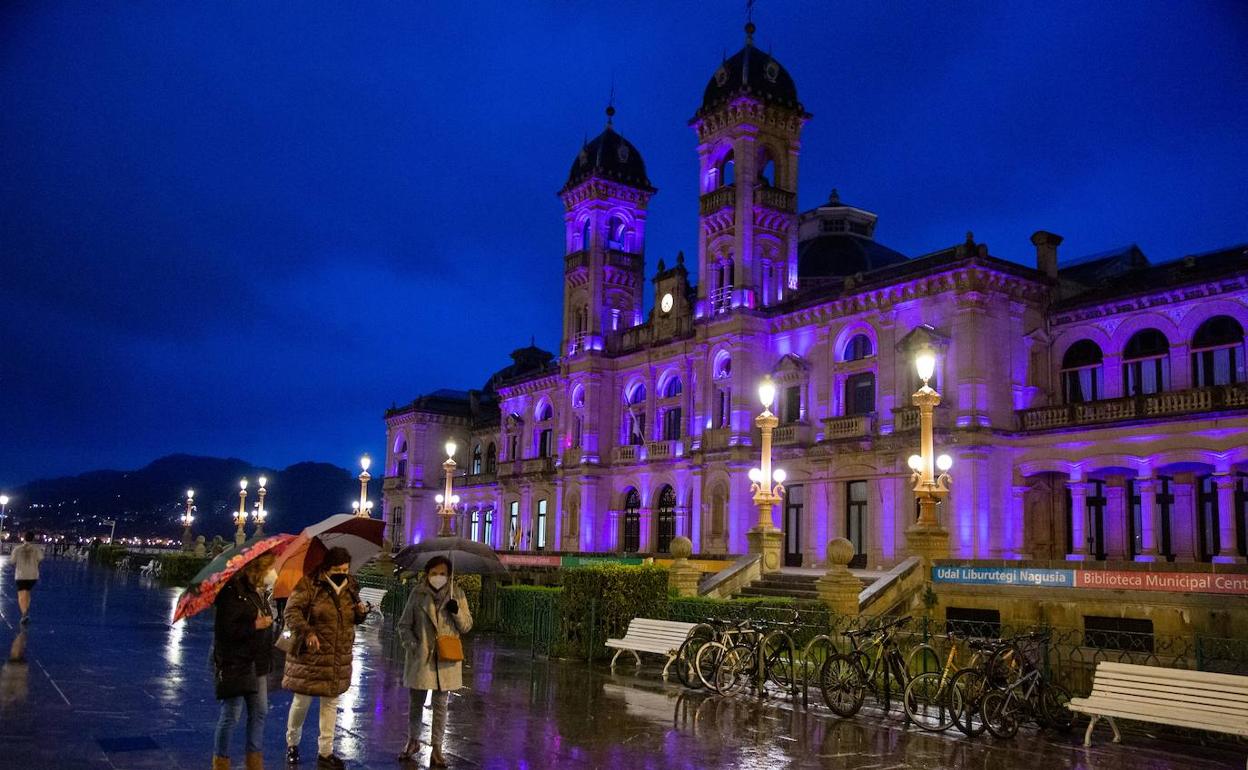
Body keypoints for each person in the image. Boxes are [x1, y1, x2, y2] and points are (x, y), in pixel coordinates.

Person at [282, 547, 368, 769]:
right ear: (326, 568)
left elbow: (354, 618)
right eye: (338, 569)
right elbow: (291, 612)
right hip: (311, 655)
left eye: (346, 569)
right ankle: (292, 743)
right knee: (302, 702)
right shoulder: (310, 585)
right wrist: (308, 631)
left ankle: (326, 752)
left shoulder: (350, 587)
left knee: (330, 704)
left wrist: (361, 612)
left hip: (338, 655)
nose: (342, 573)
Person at [396, 556, 473, 766]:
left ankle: (437, 748)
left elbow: (466, 626)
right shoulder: (417, 594)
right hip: (422, 659)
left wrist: (456, 611)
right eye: (434, 573)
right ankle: (413, 741)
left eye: (443, 573)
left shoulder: (456, 594)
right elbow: (404, 625)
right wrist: (413, 646)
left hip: (446, 659)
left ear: (448, 575)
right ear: (427, 574)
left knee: (441, 707)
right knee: (416, 704)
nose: (438, 577)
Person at [212, 552, 278, 770]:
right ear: (256, 568)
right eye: (268, 568)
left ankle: (254, 761)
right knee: (232, 714)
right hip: (236, 662)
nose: (271, 572)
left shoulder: (256, 593)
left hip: (257, 661)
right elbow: (225, 630)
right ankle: (221, 761)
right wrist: (255, 626)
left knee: (260, 712)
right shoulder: (232, 592)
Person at [12, 532, 44, 624]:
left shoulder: (17, 549)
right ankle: (26, 610)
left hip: (21, 575)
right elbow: (41, 559)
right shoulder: (36, 549)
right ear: (33, 539)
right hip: (33, 575)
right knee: (27, 592)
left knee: (21, 595)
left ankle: (24, 614)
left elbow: (13, 561)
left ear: (24, 538)